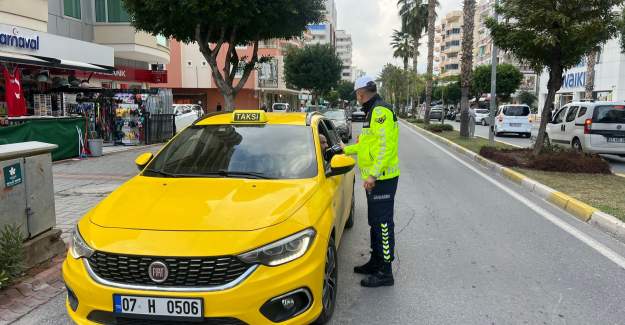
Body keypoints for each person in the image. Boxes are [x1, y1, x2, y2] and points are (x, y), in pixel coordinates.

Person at [341, 76, 400, 287]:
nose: (357, 98)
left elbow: (386, 148)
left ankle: (385, 272)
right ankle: (375, 262)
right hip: (376, 179)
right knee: (375, 223)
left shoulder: (380, 111)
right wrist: (343, 149)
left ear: (361, 93)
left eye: (356, 94)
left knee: (383, 225)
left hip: (382, 179)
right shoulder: (371, 111)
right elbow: (366, 146)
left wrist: (373, 175)